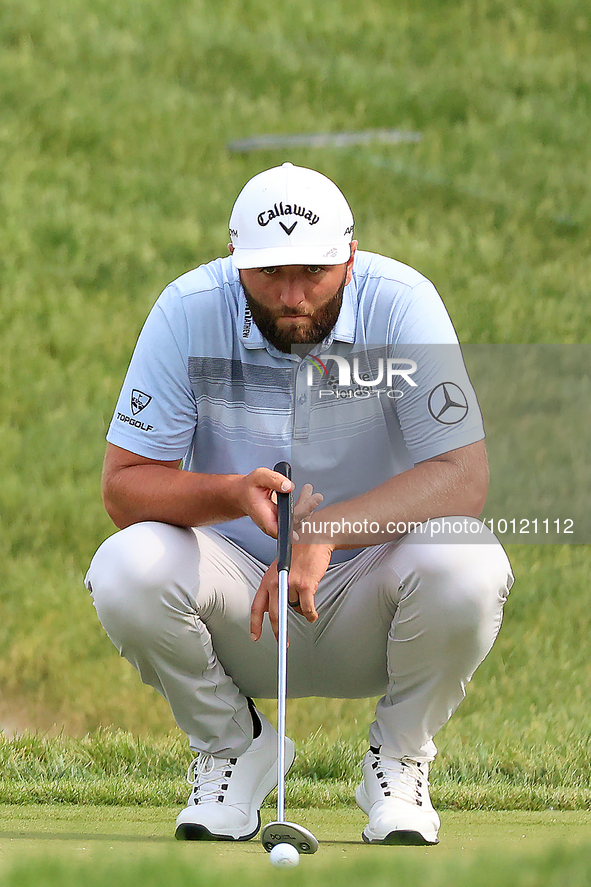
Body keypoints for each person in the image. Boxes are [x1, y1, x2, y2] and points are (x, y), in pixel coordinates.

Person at [85, 162, 513, 846]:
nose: (292, 297)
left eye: (312, 272)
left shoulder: (403, 303)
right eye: (268, 274)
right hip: (237, 607)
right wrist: (227, 492)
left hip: (369, 599)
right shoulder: (186, 309)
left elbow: (463, 475)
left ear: (347, 254)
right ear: (234, 261)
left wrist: (327, 532)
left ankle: (398, 760)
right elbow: (124, 484)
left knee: (468, 557)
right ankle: (234, 748)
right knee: (125, 564)